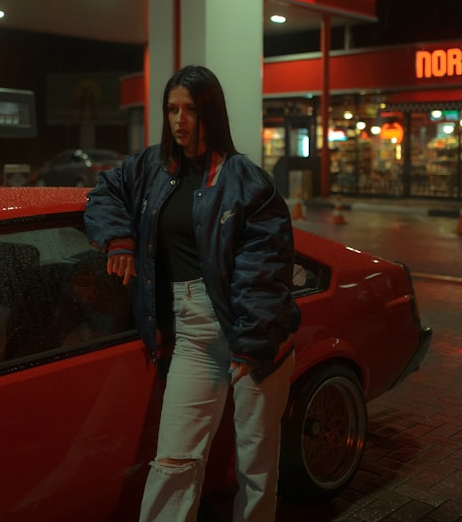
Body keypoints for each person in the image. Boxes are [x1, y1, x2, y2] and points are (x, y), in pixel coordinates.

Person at [84, 65, 300, 521]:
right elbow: (103, 190)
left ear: (211, 114)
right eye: (172, 109)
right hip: (194, 333)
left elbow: (267, 268)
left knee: (256, 466)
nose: (179, 120)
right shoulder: (152, 168)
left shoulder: (245, 180)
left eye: (191, 110)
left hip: (253, 335)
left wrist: (253, 342)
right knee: (174, 459)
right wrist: (118, 238)